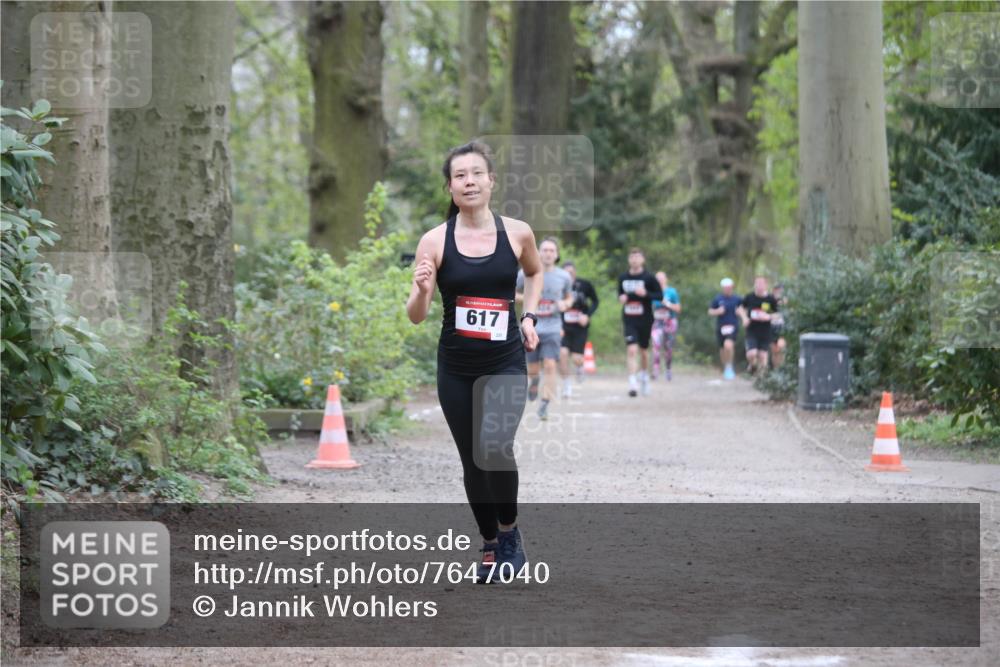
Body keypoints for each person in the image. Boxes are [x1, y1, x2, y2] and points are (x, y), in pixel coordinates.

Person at [406, 141, 540, 583]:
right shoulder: (435, 240)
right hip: (457, 367)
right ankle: (488, 542)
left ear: (491, 181)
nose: (469, 181)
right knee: (472, 460)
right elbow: (416, 315)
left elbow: (535, 272)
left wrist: (530, 316)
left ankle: (510, 536)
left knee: (495, 448)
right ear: (450, 187)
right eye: (459, 175)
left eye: (476, 173)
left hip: (504, 360)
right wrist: (423, 289)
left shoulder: (518, 233)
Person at [516, 238, 573, 420]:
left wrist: (565, 303)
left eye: (551, 250)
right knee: (532, 368)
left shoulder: (564, 276)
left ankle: (545, 403)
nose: (548, 253)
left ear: (556, 255)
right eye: (545, 250)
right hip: (530, 326)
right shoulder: (525, 273)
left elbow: (570, 297)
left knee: (550, 364)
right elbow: (512, 293)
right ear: (538, 252)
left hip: (553, 328)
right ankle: (534, 381)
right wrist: (530, 298)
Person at [618, 248, 663, 397]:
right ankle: (632, 383)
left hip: (645, 319)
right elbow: (620, 294)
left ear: (642, 260)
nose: (635, 259)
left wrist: (646, 294)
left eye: (637, 257)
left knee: (643, 352)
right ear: (629, 260)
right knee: (631, 350)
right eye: (632, 257)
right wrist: (622, 298)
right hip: (629, 318)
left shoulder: (649, 278)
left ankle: (644, 376)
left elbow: (660, 295)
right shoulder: (623, 277)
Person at [558, 261, 599, 396]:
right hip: (564, 325)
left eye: (571, 271)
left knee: (576, 358)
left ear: (575, 272)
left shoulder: (585, 285)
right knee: (563, 353)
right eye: (566, 272)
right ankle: (566, 385)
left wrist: (587, 315)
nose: (569, 274)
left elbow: (595, 301)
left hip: (580, 326)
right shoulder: (558, 285)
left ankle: (579, 367)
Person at [740, 276, 779, 375]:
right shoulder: (749, 297)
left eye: (761, 284)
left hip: (765, 331)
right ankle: (752, 365)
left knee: (763, 355)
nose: (759, 286)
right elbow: (740, 309)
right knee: (751, 353)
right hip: (752, 330)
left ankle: (762, 379)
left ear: (766, 285)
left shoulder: (771, 299)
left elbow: (778, 314)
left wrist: (768, 317)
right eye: (757, 284)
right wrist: (744, 318)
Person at [708, 278, 743, 380]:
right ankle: (726, 367)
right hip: (721, 327)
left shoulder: (737, 299)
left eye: (728, 287)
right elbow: (710, 311)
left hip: (733, 325)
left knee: (728, 345)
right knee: (723, 349)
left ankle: (730, 366)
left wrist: (740, 312)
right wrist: (717, 311)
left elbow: (744, 309)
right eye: (725, 288)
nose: (727, 289)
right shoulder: (718, 299)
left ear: (732, 287)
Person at [650, 271, 681, 381]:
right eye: (657, 278)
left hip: (669, 322)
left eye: (661, 278)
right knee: (656, 345)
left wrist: (667, 304)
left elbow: (678, 308)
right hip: (656, 322)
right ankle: (656, 370)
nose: (659, 280)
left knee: (668, 348)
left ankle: (668, 369)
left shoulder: (671, 292)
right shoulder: (652, 292)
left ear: (666, 279)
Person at [769, 283, 787, 368]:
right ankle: (776, 369)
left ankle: (781, 368)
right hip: (771, 328)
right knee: (774, 351)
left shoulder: (786, 301)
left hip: (782, 329)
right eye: (777, 291)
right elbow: (765, 312)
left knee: (781, 347)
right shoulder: (768, 301)